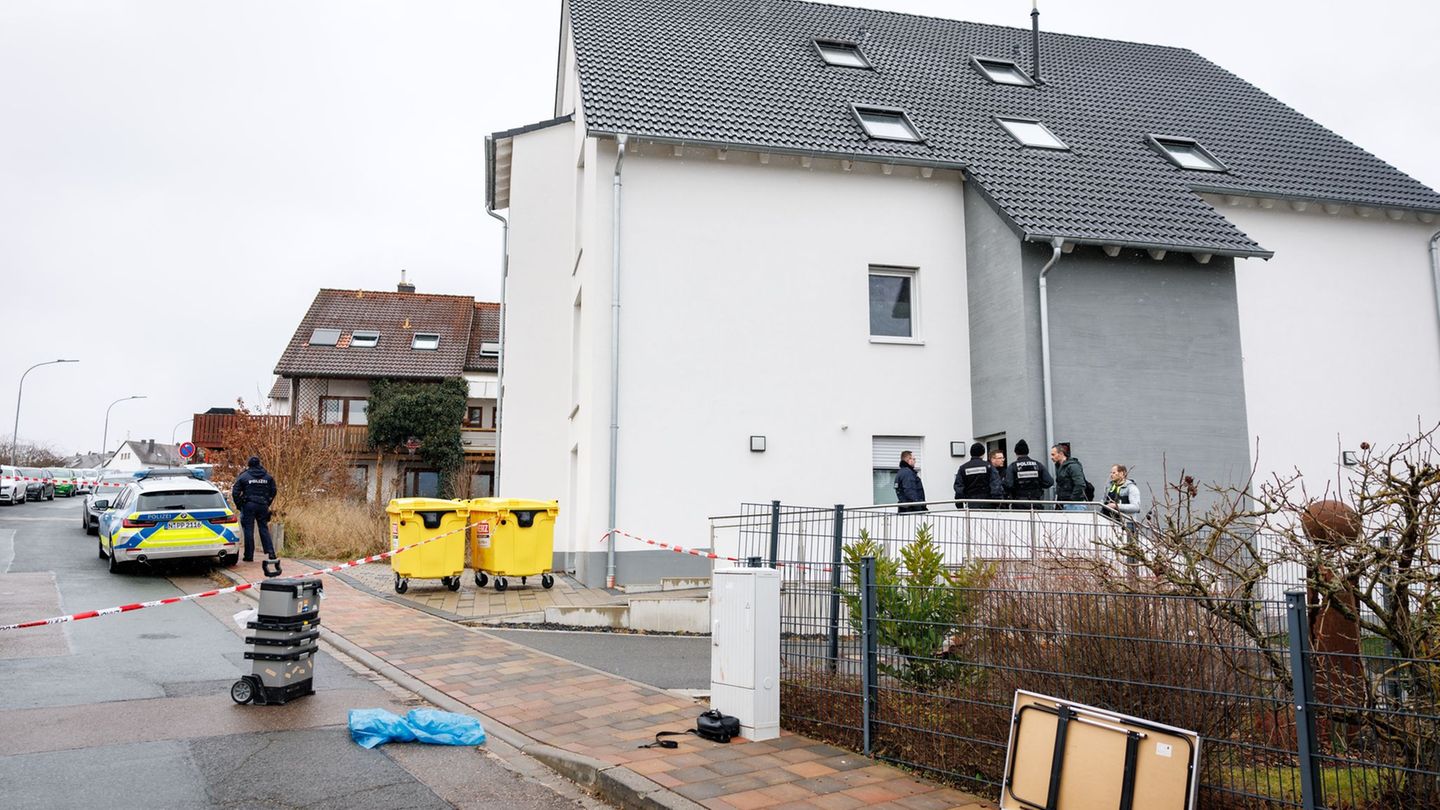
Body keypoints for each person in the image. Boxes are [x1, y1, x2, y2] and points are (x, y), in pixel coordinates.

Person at [231, 455, 278, 561]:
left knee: (248, 530)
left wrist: (240, 505)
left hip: (248, 505)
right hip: (263, 505)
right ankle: (271, 553)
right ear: (259, 464)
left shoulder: (244, 476)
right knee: (263, 528)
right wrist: (267, 502)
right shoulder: (267, 477)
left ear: (249, 464)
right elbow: (274, 491)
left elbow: (235, 492)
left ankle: (248, 556)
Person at [1006, 439, 1053, 507]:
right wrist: (1038, 484)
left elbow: (1008, 484)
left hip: (1019, 502)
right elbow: (1049, 482)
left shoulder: (1013, 466)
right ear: (1027, 451)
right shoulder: (1038, 464)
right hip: (1036, 501)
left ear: (1016, 452)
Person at [953, 442, 991, 508]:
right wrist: (998, 502)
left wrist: (959, 504)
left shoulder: (963, 468)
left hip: (971, 503)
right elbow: (996, 485)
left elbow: (959, 488)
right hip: (987, 503)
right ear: (983, 454)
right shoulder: (988, 466)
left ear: (971, 453)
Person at [1051, 444, 1088, 511]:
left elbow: (1080, 484)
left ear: (1061, 454)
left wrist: (1072, 499)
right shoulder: (1059, 466)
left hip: (1074, 504)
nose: (1051, 457)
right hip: (1065, 503)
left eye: (1053, 454)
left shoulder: (1073, 466)